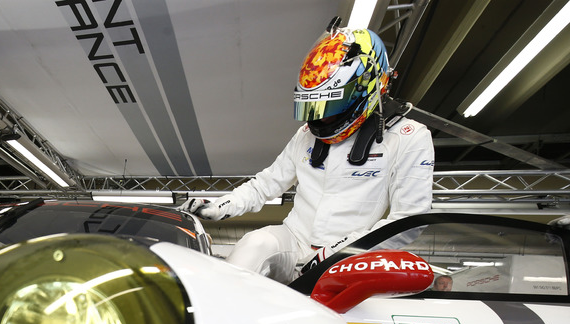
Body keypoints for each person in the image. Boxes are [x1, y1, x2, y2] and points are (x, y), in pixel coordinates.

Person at [181, 21, 434, 283]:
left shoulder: (410, 137)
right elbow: (266, 184)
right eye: (314, 107)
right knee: (254, 243)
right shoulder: (306, 133)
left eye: (329, 106)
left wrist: (340, 252)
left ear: (366, 88)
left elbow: (409, 220)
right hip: (294, 238)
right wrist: (220, 206)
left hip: (349, 254)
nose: (319, 118)